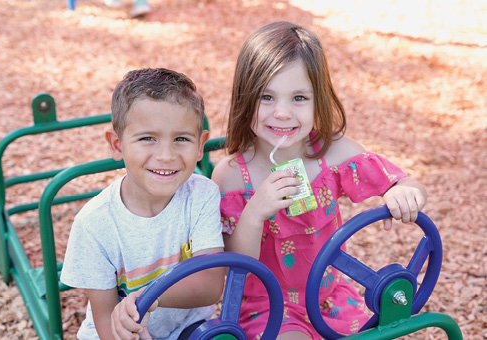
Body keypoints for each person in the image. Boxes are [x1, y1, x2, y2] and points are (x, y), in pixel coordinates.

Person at [211, 21, 427, 340]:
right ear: (246, 98)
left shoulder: (334, 154)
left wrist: (404, 192)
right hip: (268, 306)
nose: (282, 113)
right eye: (267, 97)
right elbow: (236, 264)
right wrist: (255, 212)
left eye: (299, 98)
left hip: (331, 296)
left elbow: (405, 182)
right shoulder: (231, 175)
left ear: (318, 100)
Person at [60, 68, 225, 340]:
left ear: (200, 146)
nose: (166, 155)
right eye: (148, 138)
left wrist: (150, 297)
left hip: (189, 329)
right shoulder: (94, 224)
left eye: (181, 139)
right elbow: (105, 319)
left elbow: (210, 284)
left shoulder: (202, 194)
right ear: (117, 145)